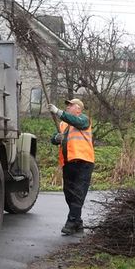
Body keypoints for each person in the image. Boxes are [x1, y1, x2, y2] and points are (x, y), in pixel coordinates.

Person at [48, 98, 94, 236]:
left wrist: (57, 111)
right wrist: (56, 138)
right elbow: (54, 137)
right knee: (69, 194)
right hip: (68, 163)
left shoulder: (83, 120)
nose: (67, 107)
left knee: (78, 193)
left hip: (83, 162)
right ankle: (78, 222)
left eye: (70, 105)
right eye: (66, 106)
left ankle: (70, 222)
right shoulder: (64, 124)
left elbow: (75, 121)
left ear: (78, 109)